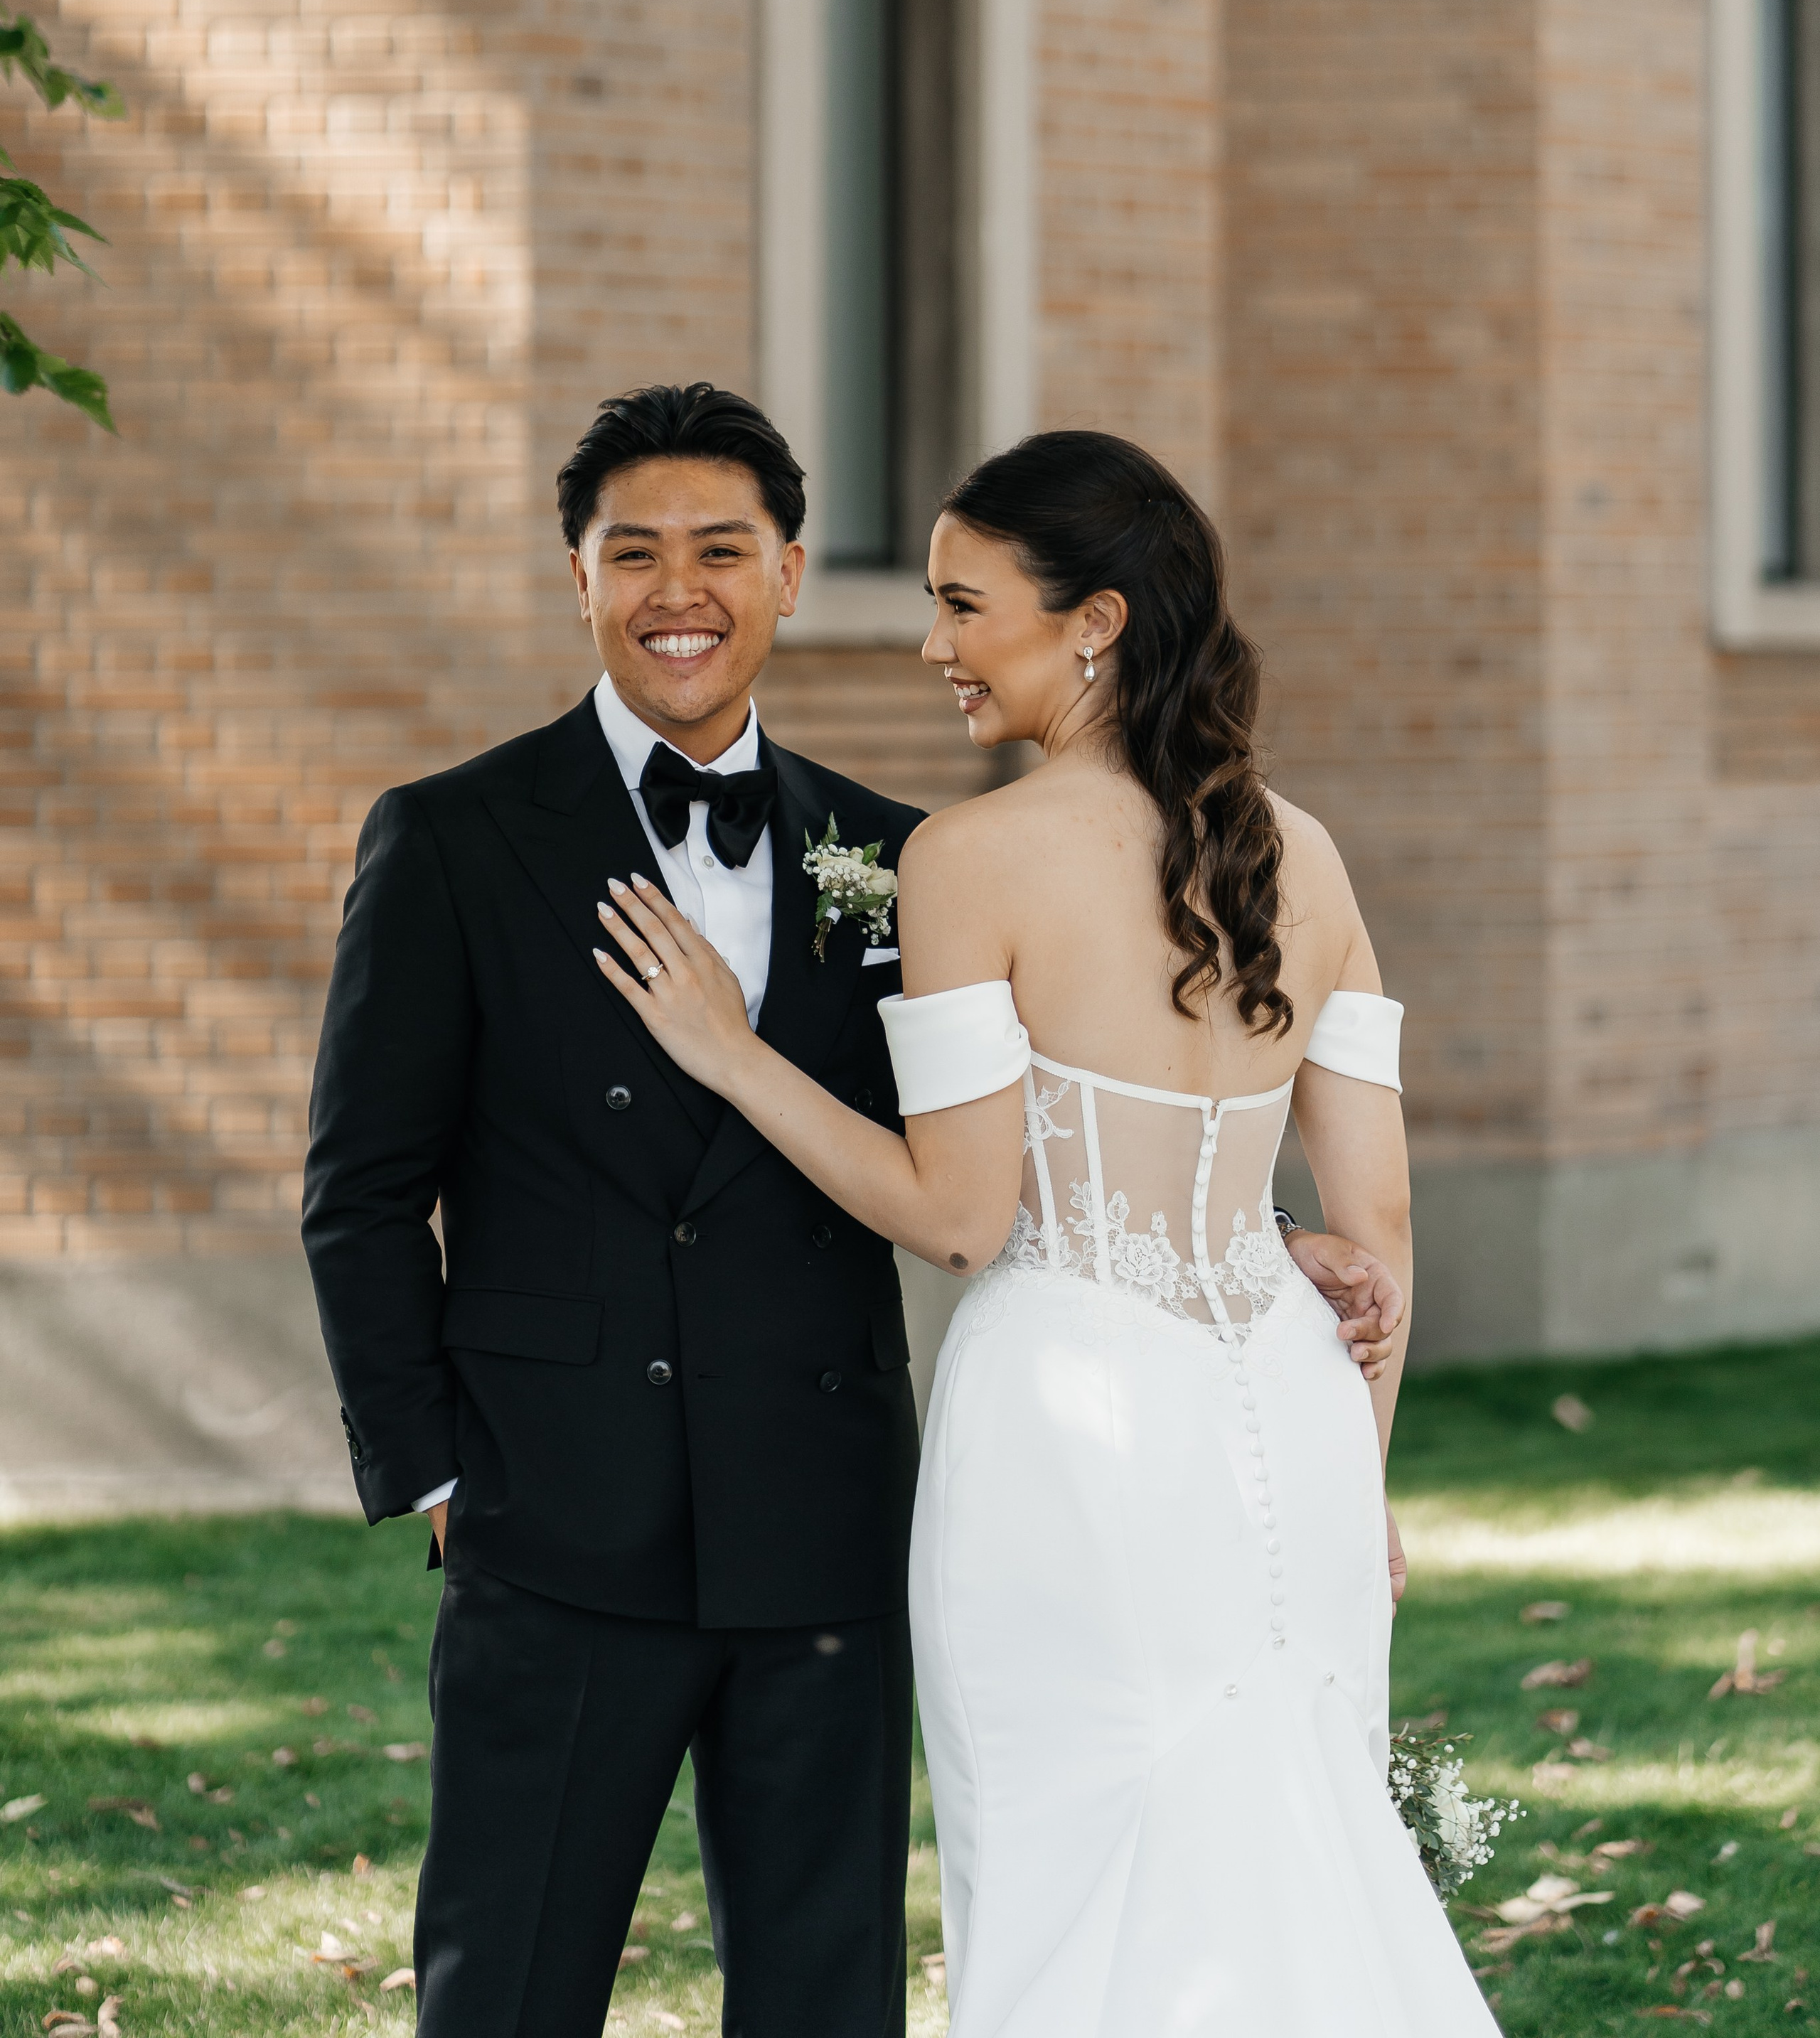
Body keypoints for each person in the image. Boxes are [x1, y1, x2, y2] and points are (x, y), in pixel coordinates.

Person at [303, 384, 1406, 2038]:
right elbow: (362, 1193)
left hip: (823, 1522)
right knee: (507, 1983)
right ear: (578, 576)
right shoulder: (453, 839)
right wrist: (443, 1475)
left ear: (792, 573)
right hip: (554, 1515)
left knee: (828, 1999)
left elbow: (1006, 1160)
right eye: (634, 553)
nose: (680, 590)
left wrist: (1249, 1234)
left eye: (722, 550)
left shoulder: (902, 854)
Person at [594, 426, 1496, 2036]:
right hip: (1287, 1430)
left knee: (1069, 1875)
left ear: (1093, 623)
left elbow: (956, 1216)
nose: (932, 644)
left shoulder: (971, 857)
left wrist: (728, 1054)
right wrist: (1355, 1479)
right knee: (1299, 1852)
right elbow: (1377, 1234)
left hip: (1066, 1434)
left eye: (963, 605)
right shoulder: (1312, 856)